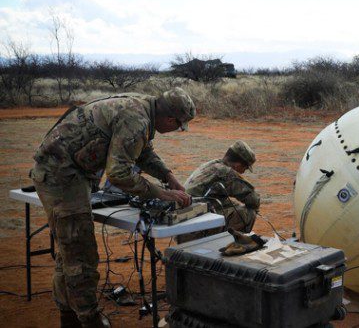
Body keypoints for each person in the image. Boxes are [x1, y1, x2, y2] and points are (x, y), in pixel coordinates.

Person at [30, 87, 195, 328]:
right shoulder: (137, 118)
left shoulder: (143, 107)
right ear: (170, 119)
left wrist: (169, 177)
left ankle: (71, 316)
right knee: (79, 252)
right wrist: (162, 193)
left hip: (69, 170)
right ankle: (88, 320)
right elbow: (118, 173)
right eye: (179, 126)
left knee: (69, 251)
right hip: (61, 174)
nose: (178, 130)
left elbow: (142, 152)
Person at [179, 141, 258, 243]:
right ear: (238, 165)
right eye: (245, 167)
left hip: (184, 217)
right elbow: (253, 199)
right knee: (248, 213)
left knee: (233, 204)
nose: (244, 171)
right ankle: (231, 243)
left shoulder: (212, 164)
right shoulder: (226, 172)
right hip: (194, 225)